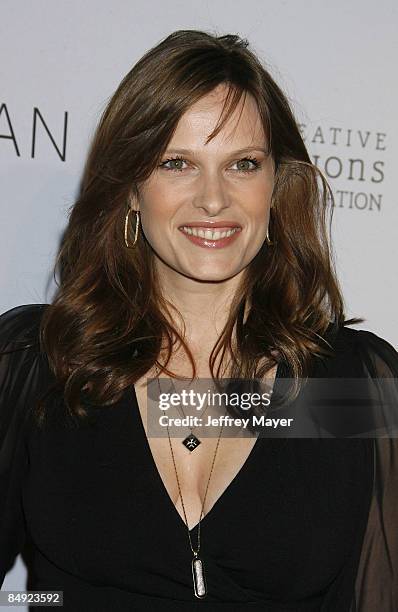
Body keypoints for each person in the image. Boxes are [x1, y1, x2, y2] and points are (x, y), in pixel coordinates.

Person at [0, 29, 397, 611]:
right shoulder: (44, 364)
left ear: (275, 186)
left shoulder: (350, 385)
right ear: (131, 189)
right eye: (177, 162)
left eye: (242, 164)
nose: (213, 199)